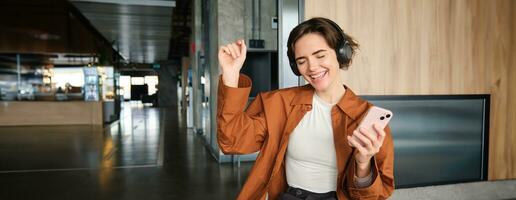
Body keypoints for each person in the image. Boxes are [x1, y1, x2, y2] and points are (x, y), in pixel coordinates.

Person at [217, 17, 394, 200]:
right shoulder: (279, 103)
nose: (312, 67)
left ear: (341, 53)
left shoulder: (366, 118)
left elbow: (376, 196)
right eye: (302, 61)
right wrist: (231, 75)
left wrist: (363, 164)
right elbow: (232, 141)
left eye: (320, 55)